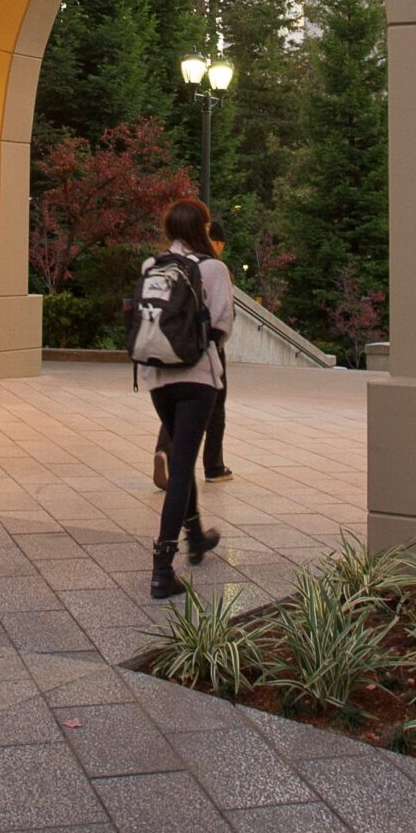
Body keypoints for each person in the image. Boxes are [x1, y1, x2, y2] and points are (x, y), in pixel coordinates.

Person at [138, 198, 232, 599]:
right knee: (181, 468)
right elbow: (223, 323)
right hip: (197, 377)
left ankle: (195, 536)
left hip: (158, 375)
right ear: (203, 228)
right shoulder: (213, 268)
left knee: (181, 455)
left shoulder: (151, 266)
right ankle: (162, 568)